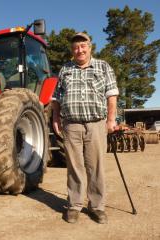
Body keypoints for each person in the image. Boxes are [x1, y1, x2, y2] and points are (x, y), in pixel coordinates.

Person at [52, 32, 119, 224]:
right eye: (75, 47)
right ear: (72, 50)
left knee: (95, 166)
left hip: (96, 123)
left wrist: (111, 120)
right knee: (74, 167)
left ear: (90, 47)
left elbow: (111, 94)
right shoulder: (65, 69)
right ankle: (74, 205)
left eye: (83, 46)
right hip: (71, 124)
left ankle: (96, 207)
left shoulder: (103, 66)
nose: (79, 50)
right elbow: (57, 97)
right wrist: (56, 117)